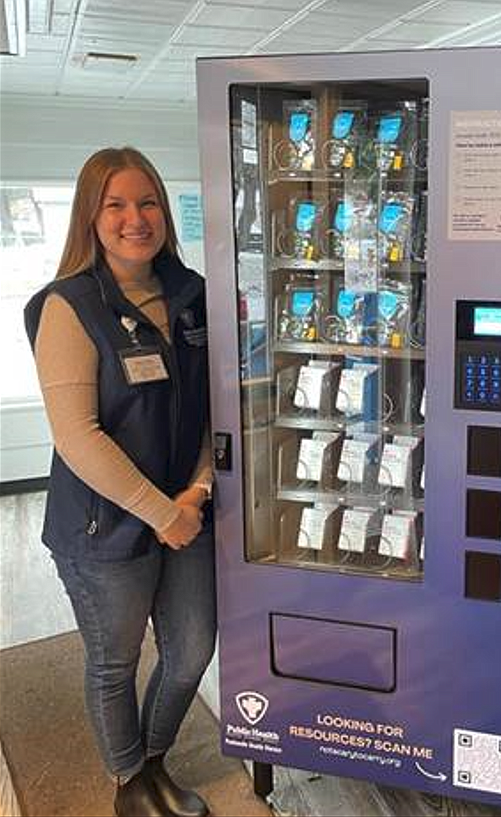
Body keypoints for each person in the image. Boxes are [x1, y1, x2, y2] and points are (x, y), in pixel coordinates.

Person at [24, 147, 216, 817]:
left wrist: (193, 494)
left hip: (186, 511)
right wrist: (161, 511)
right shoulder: (68, 307)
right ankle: (128, 781)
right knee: (116, 660)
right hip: (103, 526)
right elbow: (77, 436)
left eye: (148, 202)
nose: (135, 218)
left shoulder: (191, 294)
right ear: (90, 216)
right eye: (116, 204)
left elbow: (211, 408)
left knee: (192, 649)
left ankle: (153, 759)